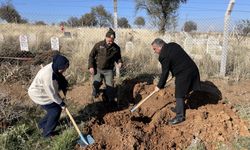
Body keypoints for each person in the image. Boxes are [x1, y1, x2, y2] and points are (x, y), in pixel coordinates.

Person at [152, 38, 200, 125]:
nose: (154, 51)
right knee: (180, 87)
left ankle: (180, 116)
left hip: (185, 72)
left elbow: (165, 72)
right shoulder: (173, 45)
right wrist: (175, 71)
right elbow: (178, 59)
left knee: (179, 93)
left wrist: (159, 86)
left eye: (154, 49)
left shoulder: (163, 55)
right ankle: (179, 107)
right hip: (192, 68)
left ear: (159, 47)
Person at [28, 54, 69, 137]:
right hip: (39, 94)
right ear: (59, 66)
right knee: (55, 110)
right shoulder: (48, 77)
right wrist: (61, 103)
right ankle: (47, 133)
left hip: (43, 90)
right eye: (64, 68)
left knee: (54, 109)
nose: (65, 70)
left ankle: (42, 124)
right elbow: (52, 94)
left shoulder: (53, 66)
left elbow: (54, 87)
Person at [88, 28, 122, 103]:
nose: (110, 42)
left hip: (109, 70)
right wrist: (91, 66)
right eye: (109, 40)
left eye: (112, 41)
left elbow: (118, 57)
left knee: (110, 87)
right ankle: (95, 94)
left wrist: (119, 62)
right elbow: (91, 56)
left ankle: (110, 101)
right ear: (106, 37)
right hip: (98, 69)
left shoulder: (116, 48)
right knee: (96, 83)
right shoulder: (99, 45)